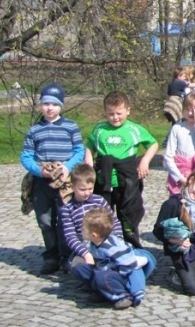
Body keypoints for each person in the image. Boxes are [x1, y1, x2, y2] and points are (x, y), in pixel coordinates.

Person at [20, 83, 85, 274]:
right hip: (42, 181)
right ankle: (51, 256)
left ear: (61, 107)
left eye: (54, 104)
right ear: (41, 105)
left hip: (65, 180)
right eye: (46, 104)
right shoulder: (34, 130)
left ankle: (68, 256)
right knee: (45, 220)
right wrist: (40, 171)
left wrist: (67, 167)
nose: (50, 108)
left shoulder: (70, 127)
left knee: (66, 219)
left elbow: (79, 150)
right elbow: (26, 156)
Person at [85, 91, 158, 249]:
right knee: (103, 217)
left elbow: (153, 144)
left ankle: (132, 248)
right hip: (104, 179)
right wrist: (88, 162)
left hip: (127, 178)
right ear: (105, 112)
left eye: (119, 113)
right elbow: (89, 146)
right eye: (111, 114)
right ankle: (103, 249)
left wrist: (144, 161)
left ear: (128, 111)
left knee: (128, 217)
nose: (115, 117)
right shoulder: (99, 130)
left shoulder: (134, 129)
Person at [76, 208, 157, 309]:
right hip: (103, 270)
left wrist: (136, 291)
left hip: (120, 277)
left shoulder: (113, 248)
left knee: (101, 276)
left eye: (83, 229)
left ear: (94, 235)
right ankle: (102, 291)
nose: (81, 230)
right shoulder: (93, 243)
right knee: (80, 268)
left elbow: (131, 266)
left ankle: (122, 296)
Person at [59, 163, 117, 267]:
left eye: (90, 189)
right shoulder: (67, 209)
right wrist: (86, 254)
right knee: (77, 266)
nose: (87, 193)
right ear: (72, 186)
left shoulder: (99, 201)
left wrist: (117, 241)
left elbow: (114, 222)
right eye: (82, 189)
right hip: (83, 247)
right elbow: (70, 237)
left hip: (105, 244)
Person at [163, 91, 195, 195]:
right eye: (187, 109)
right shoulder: (177, 128)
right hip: (181, 173)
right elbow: (169, 156)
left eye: (194, 110)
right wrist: (179, 177)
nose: (191, 113)